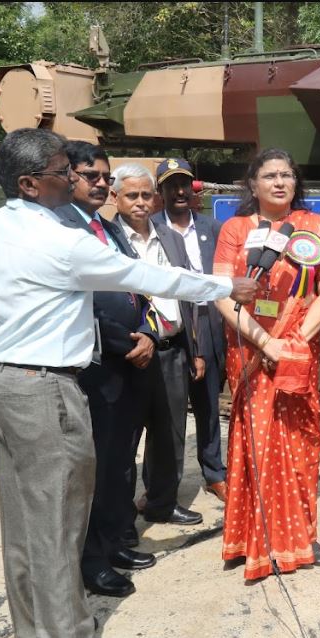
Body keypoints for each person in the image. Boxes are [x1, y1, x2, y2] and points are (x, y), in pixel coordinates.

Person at [0, 128, 258, 638]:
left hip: (1, 383)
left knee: (22, 522)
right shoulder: (59, 240)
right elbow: (145, 276)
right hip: (45, 390)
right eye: (63, 172)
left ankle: (33, 636)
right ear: (29, 183)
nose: (73, 179)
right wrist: (223, 286)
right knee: (58, 528)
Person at [214, 148, 320, 580]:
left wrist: (294, 340)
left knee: (298, 446)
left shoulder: (317, 226)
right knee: (255, 442)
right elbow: (222, 293)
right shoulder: (235, 229)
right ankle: (252, 538)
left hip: (297, 352)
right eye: (270, 175)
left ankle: (299, 536)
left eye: (287, 175)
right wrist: (266, 343)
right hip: (251, 351)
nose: (279, 182)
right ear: (252, 184)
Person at [55, 142, 157, 598]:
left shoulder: (108, 228)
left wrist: (148, 332)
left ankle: (114, 542)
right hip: (98, 366)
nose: (99, 183)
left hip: (130, 361)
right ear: (68, 177)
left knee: (119, 463)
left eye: (104, 176)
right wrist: (127, 341)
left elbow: (137, 286)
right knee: (95, 468)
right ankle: (91, 559)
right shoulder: (63, 228)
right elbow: (83, 303)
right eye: (90, 175)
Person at [112, 163, 204, 528]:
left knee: (169, 435)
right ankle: (120, 520)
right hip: (131, 354)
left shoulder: (169, 237)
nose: (140, 202)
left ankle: (162, 503)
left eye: (146, 195)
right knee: (124, 440)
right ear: (115, 198)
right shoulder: (107, 240)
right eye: (131, 195)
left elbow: (187, 293)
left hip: (172, 349)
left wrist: (195, 348)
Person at [151, 158, 229, 503]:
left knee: (209, 404)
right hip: (172, 325)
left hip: (208, 321)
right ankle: (162, 485)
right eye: (171, 186)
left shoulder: (212, 227)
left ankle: (214, 473)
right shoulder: (152, 228)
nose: (179, 191)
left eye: (184, 184)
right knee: (165, 414)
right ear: (161, 191)